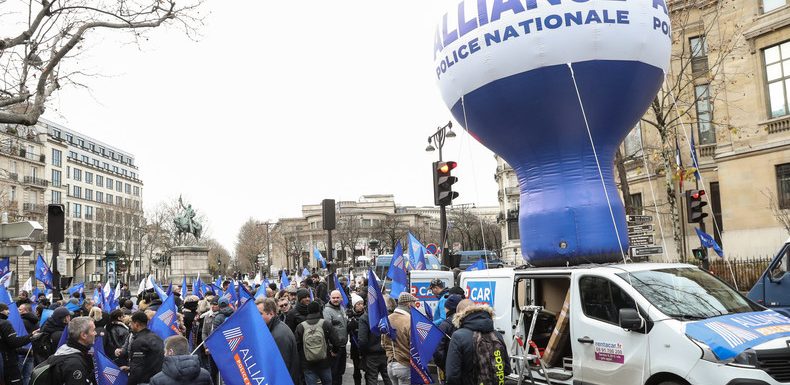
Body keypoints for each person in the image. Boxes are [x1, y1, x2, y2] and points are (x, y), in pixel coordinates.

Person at [445, 300, 511, 385]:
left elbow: (452, 376)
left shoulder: (458, 336)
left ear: (459, 315)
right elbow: (507, 369)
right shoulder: (497, 335)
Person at [295, 301, 341, 385]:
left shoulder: (301, 326)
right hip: (324, 361)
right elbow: (336, 342)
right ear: (319, 310)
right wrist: (334, 352)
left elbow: (297, 346)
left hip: (308, 363)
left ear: (308, 311)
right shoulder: (325, 324)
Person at [255, 298, 300, 384]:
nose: (256, 317)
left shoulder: (279, 336)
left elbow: (281, 369)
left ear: (271, 313)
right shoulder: (276, 328)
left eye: (259, 314)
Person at [121, 311, 164, 385]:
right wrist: (129, 368)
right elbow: (150, 359)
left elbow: (137, 368)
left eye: (131, 323)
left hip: (145, 380)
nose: (130, 325)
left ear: (136, 324)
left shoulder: (139, 342)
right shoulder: (156, 337)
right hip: (158, 379)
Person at [50, 316, 97, 385]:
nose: (95, 333)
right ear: (84, 335)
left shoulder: (65, 349)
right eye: (93, 330)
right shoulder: (74, 364)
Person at [0, 303, 38, 385]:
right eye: (6, 309)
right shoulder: (5, 323)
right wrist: (31, 336)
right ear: (1, 311)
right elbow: (14, 342)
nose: (9, 312)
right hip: (8, 361)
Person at [381, 293, 415, 385]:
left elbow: (383, 344)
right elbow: (414, 345)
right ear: (409, 304)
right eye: (414, 302)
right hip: (404, 364)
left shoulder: (387, 319)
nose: (415, 305)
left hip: (390, 364)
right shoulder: (409, 320)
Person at [358, 301, 391, 385]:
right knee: (388, 378)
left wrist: (363, 353)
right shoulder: (386, 316)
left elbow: (362, 340)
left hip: (371, 354)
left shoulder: (365, 318)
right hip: (385, 352)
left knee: (372, 378)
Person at [433, 294, 463, 383]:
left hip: (450, 369)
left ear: (448, 308)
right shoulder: (466, 321)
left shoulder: (445, 325)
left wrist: (446, 367)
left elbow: (438, 351)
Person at [323, 290, 348, 385]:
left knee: (340, 372)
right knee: (334, 373)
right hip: (334, 348)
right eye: (333, 298)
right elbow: (327, 330)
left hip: (343, 346)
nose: (336, 299)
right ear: (330, 298)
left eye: (337, 298)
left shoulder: (342, 308)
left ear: (341, 298)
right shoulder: (327, 311)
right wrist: (333, 348)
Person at [346, 294, 365, 385]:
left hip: (365, 346)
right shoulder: (349, 316)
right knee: (356, 370)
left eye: (362, 303)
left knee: (368, 370)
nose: (361, 306)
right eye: (358, 304)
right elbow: (346, 330)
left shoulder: (366, 315)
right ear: (354, 305)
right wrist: (349, 325)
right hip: (354, 346)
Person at [18, 303, 38, 385]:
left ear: (25, 311)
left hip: (21, 351)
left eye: (20, 309)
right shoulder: (36, 321)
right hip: (31, 351)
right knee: (27, 376)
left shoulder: (21, 321)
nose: (18, 311)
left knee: (18, 376)